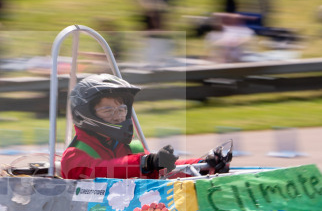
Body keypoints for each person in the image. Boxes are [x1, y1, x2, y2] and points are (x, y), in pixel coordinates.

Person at [61, 74, 231, 180]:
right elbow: (103, 171)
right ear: (85, 113)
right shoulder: (74, 155)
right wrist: (145, 162)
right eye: (108, 110)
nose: (118, 115)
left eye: (121, 109)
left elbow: (162, 170)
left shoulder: (131, 147)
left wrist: (204, 165)